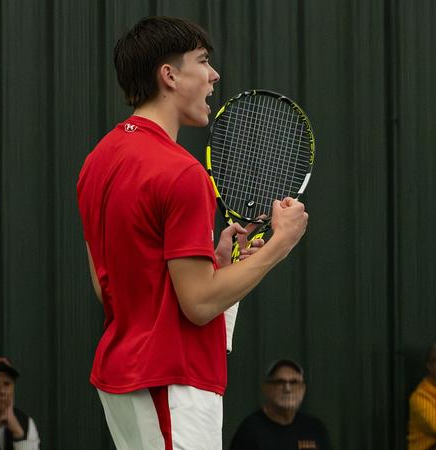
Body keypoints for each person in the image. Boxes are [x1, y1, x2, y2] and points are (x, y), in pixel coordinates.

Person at [76, 16, 309, 450]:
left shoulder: (97, 161)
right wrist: (280, 243)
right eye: (203, 61)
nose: (214, 75)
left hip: (126, 378)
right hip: (170, 381)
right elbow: (199, 304)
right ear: (169, 75)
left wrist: (214, 262)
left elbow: (111, 285)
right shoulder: (182, 172)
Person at [229, 359, 330, 450]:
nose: (287, 388)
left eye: (294, 382)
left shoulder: (314, 428)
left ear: (303, 389)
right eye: (280, 382)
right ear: (266, 388)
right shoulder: (250, 431)